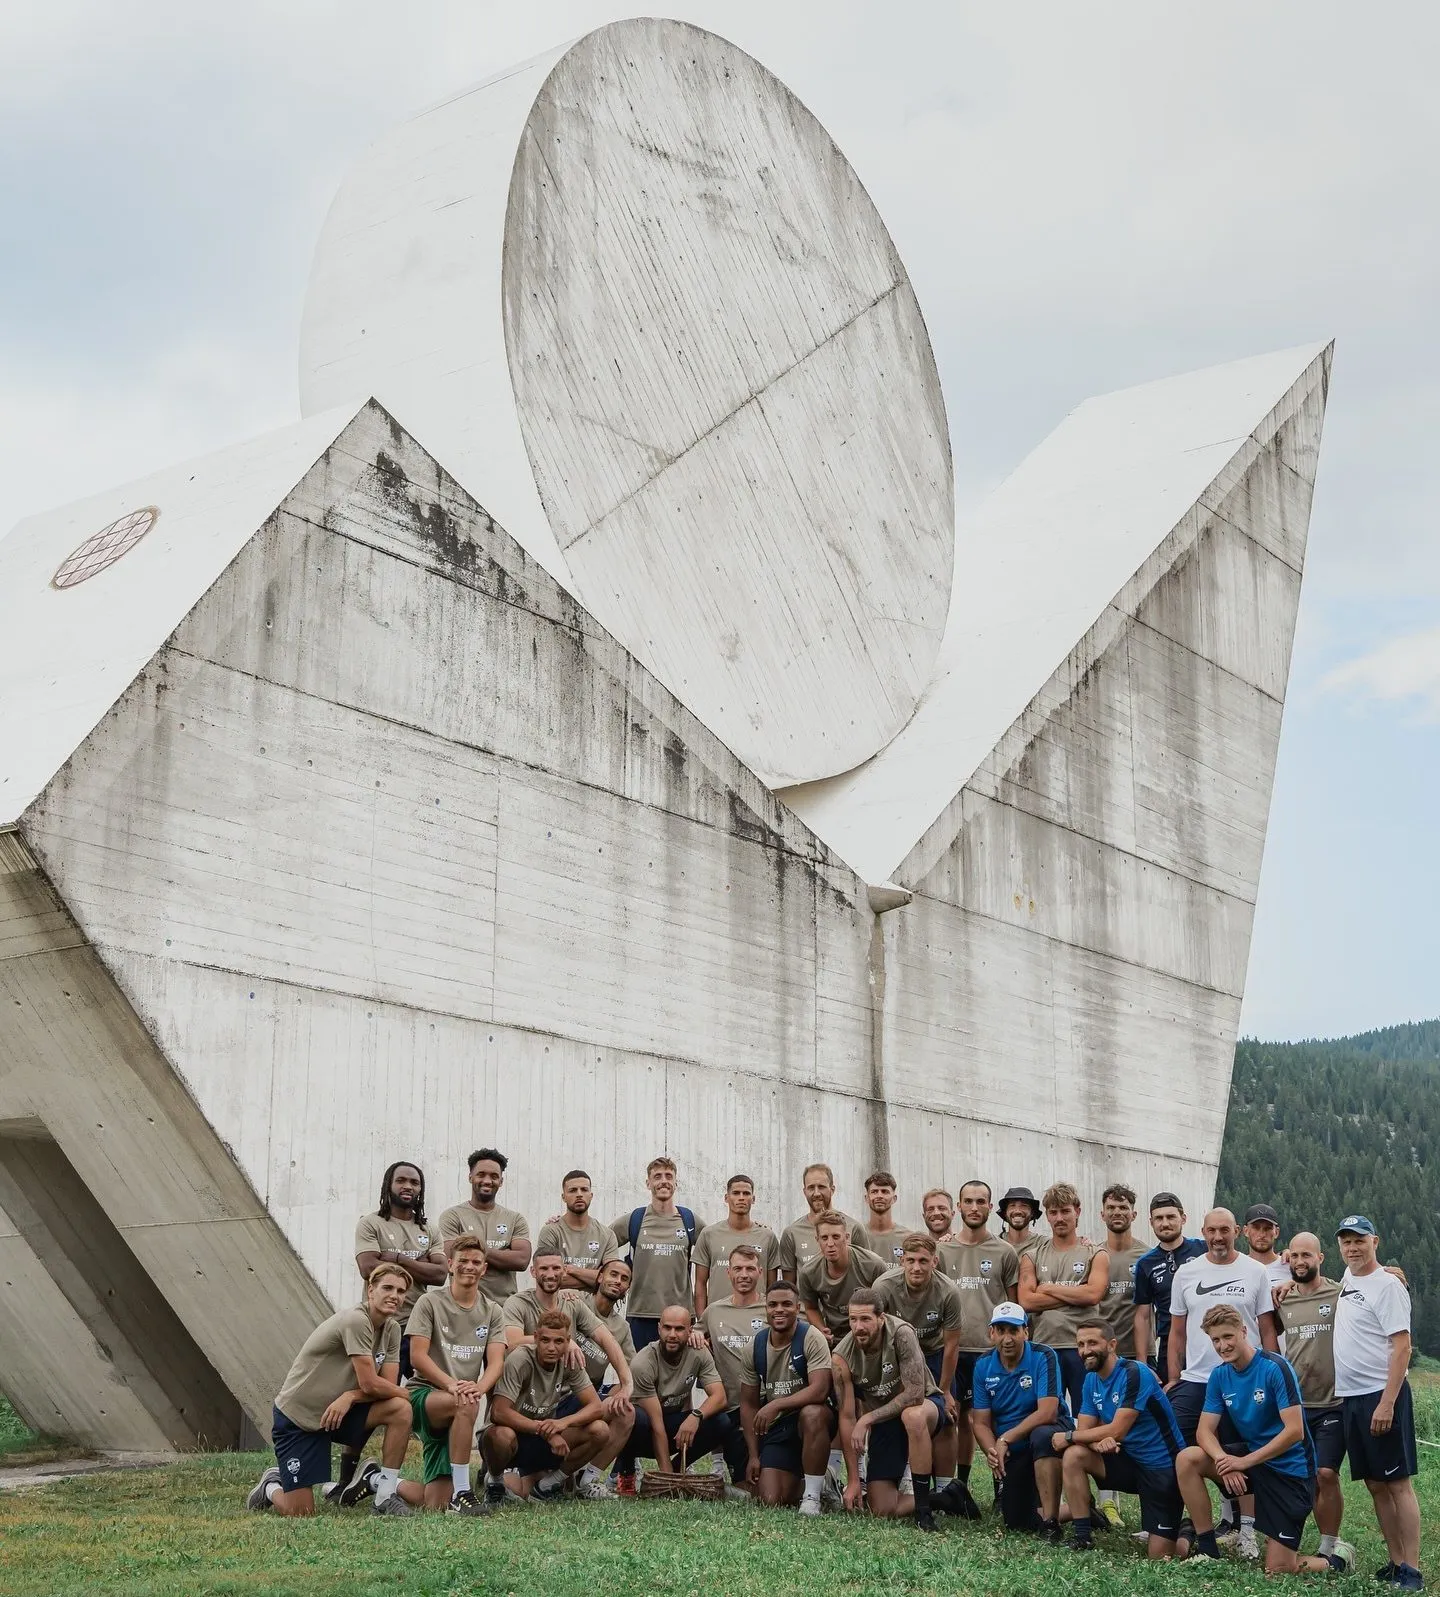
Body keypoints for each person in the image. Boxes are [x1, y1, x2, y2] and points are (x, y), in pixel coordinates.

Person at [1175, 1304, 1351, 1576]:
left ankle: (1337, 1560)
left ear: (1244, 1331)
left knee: (1279, 1569)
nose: (1222, 1345)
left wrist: (1243, 1462)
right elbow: (1203, 1432)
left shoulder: (1274, 1368)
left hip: (1289, 1471)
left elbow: (1295, 1432)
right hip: (1253, 1461)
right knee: (1188, 1458)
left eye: (1228, 1336)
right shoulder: (1220, 1375)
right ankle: (1208, 1550)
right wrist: (1224, 1460)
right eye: (1216, 1340)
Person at [247, 1263, 424, 1517]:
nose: (394, 1296)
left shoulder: (393, 1329)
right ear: (370, 1290)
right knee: (301, 1512)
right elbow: (372, 1384)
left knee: (399, 1409)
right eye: (387, 1288)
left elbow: (386, 1387)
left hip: (339, 1412)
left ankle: (384, 1495)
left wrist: (351, 1396)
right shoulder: (356, 1319)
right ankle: (271, 1486)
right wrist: (407, 1393)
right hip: (300, 1418)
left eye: (400, 1291)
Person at [1167, 1206, 1278, 1559]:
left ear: (1237, 1232)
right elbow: (1176, 1331)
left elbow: (1265, 1325)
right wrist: (1173, 1377)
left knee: (1243, 1450)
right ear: (1203, 1231)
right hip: (1198, 1378)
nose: (1218, 1237)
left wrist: (1272, 1368)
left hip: (1245, 1379)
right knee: (1185, 1454)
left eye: (1225, 1230)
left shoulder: (1256, 1271)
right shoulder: (1186, 1273)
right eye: (1212, 1230)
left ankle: (1246, 1531)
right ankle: (1189, 1524)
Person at [1333, 1215, 1422, 1591]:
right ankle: (1395, 1560)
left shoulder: (1388, 1285)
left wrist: (1387, 1403)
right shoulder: (1348, 1277)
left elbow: (1402, 1346)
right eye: (1347, 1241)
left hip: (1381, 1393)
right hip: (1351, 1397)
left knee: (1398, 1483)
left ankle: (1413, 1570)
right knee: (1374, 1482)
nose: (1353, 1248)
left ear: (1376, 1241)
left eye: (1360, 1241)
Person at [1051, 1316, 1185, 1557]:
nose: (1085, 1351)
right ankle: (1083, 1537)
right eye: (1080, 1345)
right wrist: (1096, 1442)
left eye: (1092, 1343)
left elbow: (1116, 1430)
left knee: (1161, 1556)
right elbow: (1085, 1429)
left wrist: (1069, 1436)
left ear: (1111, 1345)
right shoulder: (1091, 1379)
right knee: (1075, 1455)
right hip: (1125, 1459)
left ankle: (1186, 1532)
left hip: (1161, 1468)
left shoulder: (1135, 1373)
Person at [936, 1178, 1020, 1520]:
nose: (974, 1207)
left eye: (980, 1201)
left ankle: (1002, 1489)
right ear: (959, 1207)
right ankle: (954, 1487)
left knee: (992, 1421)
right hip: (951, 1349)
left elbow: (1014, 1307)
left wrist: (1008, 1345)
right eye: (967, 1201)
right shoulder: (942, 1250)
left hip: (991, 1353)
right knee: (950, 1418)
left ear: (989, 1207)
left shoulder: (1005, 1252)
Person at [405, 1236, 507, 1513]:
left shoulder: (493, 1310)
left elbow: (496, 1362)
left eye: (476, 1262)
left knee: (433, 1503)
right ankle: (462, 1493)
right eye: (463, 1261)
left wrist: (479, 1387)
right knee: (466, 1401)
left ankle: (377, 1479)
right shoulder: (429, 1302)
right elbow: (417, 1356)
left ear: (484, 1269)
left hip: (461, 1403)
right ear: (450, 1265)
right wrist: (452, 1385)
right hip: (425, 1396)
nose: (469, 1267)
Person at [833, 1288, 949, 1531]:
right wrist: (854, 1480)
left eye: (865, 1319)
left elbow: (915, 1393)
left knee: (912, 1415)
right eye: (853, 1320)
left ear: (881, 1318)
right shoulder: (841, 1358)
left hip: (925, 1406)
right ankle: (946, 1498)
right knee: (882, 1508)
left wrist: (867, 1418)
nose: (858, 1327)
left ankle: (923, 1513)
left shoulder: (901, 1333)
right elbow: (845, 1417)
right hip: (886, 1420)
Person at [874, 1234, 966, 1514]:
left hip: (934, 1354)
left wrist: (946, 1389)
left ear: (934, 1262)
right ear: (902, 1260)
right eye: (911, 1260)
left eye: (923, 1261)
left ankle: (946, 1488)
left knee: (947, 1418)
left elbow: (952, 1344)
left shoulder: (948, 1291)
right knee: (902, 1413)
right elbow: (879, 1335)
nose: (916, 1267)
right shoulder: (884, 1286)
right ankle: (906, 1478)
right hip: (898, 1355)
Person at [971, 1301, 1072, 1538]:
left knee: (1042, 1435)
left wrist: (1004, 1439)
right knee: (1017, 1522)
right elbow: (981, 1422)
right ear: (991, 1333)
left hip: (1048, 1433)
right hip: (1014, 1448)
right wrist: (992, 1451)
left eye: (1014, 1330)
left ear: (1026, 1332)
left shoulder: (1044, 1355)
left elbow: (1047, 1412)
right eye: (1002, 1330)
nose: (1008, 1338)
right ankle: (1080, 1511)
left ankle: (1051, 1523)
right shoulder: (983, 1365)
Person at [1273, 1232, 1346, 1560]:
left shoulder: (1339, 1293)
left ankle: (1330, 1546)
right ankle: (1289, 1535)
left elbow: (1366, 1284)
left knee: (1326, 1473)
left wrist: (1386, 1271)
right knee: (1302, 1476)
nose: (1301, 1262)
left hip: (1333, 1401)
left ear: (1320, 1258)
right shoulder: (1282, 1298)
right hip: (1297, 1404)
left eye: (1307, 1255)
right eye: (1295, 1256)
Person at [484, 1310, 610, 1499]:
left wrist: (563, 1423)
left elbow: (596, 1407)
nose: (551, 1347)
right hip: (512, 1438)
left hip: (543, 1437)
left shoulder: (570, 1361)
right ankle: (495, 1484)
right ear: (535, 1338)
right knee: (501, 1435)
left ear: (568, 1341)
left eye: (558, 1341)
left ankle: (547, 1485)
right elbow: (499, 1412)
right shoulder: (520, 1359)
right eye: (545, 1340)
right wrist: (545, 1431)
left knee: (600, 1430)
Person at [739, 1280, 835, 1513]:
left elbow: (820, 1389)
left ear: (798, 1307)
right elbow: (748, 1404)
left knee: (812, 1413)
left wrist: (777, 1404)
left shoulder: (811, 1337)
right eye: (773, 1305)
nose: (779, 1310)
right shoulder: (755, 1346)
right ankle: (823, 1483)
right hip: (779, 1426)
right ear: (766, 1309)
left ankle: (812, 1497)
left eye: (786, 1304)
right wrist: (754, 1455)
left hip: (812, 1421)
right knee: (770, 1499)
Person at [1018, 1181, 1109, 1415]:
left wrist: (1047, 1287)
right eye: (1053, 1212)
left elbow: (1093, 1294)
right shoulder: (1032, 1256)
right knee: (1047, 1416)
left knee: (1088, 1414)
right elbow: (1027, 1301)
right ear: (1047, 1216)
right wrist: (1076, 1293)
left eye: (1065, 1211)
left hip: (1084, 1348)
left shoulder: (1095, 1253)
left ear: (1077, 1212)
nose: (1060, 1218)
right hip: (1045, 1347)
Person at [620, 1305, 736, 1479]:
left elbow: (720, 1397)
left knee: (721, 1421)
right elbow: (656, 1424)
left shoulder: (699, 1352)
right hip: (643, 1432)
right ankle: (626, 1473)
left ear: (690, 1330)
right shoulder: (643, 1363)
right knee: (637, 1418)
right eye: (667, 1328)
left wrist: (695, 1416)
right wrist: (666, 1478)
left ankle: (677, 1471)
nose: (672, 1334)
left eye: (679, 1329)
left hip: (671, 1426)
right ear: (659, 1328)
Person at [695, 1243, 771, 1492]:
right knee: (746, 1483)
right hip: (730, 1411)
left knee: (767, 1485)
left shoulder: (773, 1309)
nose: (744, 1275)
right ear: (728, 1273)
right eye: (738, 1268)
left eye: (750, 1268)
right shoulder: (714, 1311)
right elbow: (692, 1332)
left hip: (767, 1407)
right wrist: (693, 1337)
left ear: (761, 1272)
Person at [1094, 1182, 1148, 1528]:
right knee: (1100, 1427)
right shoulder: (1093, 1254)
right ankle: (1106, 1502)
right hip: (1099, 1357)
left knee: (1140, 1432)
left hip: (1136, 1354)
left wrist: (1144, 1360)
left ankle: (1150, 1507)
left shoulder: (1147, 1256)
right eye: (1111, 1207)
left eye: (1123, 1207)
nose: (1117, 1212)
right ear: (1102, 1214)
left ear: (1133, 1213)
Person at [609, 1156, 704, 1350]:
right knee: (640, 1376)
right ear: (648, 1183)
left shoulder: (689, 1221)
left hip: (680, 1318)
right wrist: (563, 1223)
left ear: (676, 1183)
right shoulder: (635, 1219)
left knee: (677, 1377)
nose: (663, 1181)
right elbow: (599, 1239)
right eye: (657, 1176)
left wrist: (757, 1228)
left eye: (669, 1176)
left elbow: (720, 1243)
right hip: (640, 1315)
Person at [566, 1255, 640, 1498]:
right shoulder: (573, 1300)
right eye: (613, 1274)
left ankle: (588, 1480)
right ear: (599, 1277)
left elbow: (630, 1370)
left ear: (628, 1287)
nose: (618, 1281)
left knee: (626, 1410)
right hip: (554, 1392)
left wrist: (617, 1394)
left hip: (587, 1397)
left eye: (624, 1279)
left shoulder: (622, 1327)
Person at [437, 1148, 532, 1304]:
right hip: (462, 1306)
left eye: (494, 1176)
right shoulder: (453, 1216)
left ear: (501, 1181)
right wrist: (504, 1254)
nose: (487, 1181)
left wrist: (472, 1248)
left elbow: (521, 1260)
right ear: (470, 1177)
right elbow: (452, 1259)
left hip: (505, 1307)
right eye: (481, 1175)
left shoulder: (515, 1219)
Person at [1131, 1191, 1206, 1374]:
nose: (1165, 1223)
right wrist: (1142, 1364)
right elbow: (1143, 1316)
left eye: (1171, 1217)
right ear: (1151, 1222)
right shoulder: (1145, 1263)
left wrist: (1282, 1256)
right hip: (1169, 1344)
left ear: (1183, 1218)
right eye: (1159, 1218)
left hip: (1207, 1338)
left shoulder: (1203, 1249)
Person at [692, 1174, 781, 1312]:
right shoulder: (708, 1234)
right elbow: (700, 1284)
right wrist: (702, 1322)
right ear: (726, 1198)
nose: (741, 1198)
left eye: (746, 1193)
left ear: (753, 1199)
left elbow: (772, 1286)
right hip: (719, 1318)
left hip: (757, 1317)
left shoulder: (767, 1236)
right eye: (736, 1193)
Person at [799, 1211, 889, 1342]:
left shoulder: (873, 1265)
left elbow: (888, 1305)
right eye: (824, 1238)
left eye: (836, 1237)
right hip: (835, 1338)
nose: (830, 1244)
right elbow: (811, 1308)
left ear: (846, 1238)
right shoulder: (809, 1272)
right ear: (817, 1240)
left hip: (870, 1336)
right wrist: (821, 1329)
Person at [534, 1170, 620, 1291]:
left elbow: (611, 1279)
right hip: (559, 1306)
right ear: (563, 1197)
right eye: (573, 1190)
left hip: (594, 1308)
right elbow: (549, 1278)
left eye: (584, 1189)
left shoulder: (607, 1235)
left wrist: (572, 1269)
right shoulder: (551, 1231)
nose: (579, 1194)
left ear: (591, 1195)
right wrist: (595, 1278)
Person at [778, 1164, 868, 1278]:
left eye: (821, 1187)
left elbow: (866, 1275)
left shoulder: (854, 1228)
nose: (816, 1193)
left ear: (832, 1189)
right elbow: (790, 1289)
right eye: (811, 1188)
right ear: (804, 1191)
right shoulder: (791, 1233)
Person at [860, 1171, 909, 1267]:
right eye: (874, 1192)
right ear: (866, 1198)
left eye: (885, 1191)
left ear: (894, 1198)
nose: (879, 1196)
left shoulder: (907, 1238)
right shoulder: (858, 1236)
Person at [1244, 1203, 1293, 1292]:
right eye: (1256, 1228)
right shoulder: (1237, 1267)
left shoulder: (1291, 1266)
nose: (1262, 1235)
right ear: (1246, 1231)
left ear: (1276, 1232)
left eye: (1267, 1229)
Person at [997, 1186, 1043, 1258]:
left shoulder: (1042, 1244)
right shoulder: (995, 1244)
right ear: (1005, 1213)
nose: (1017, 1211)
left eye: (1024, 1206)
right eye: (1012, 1205)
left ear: (1032, 1213)